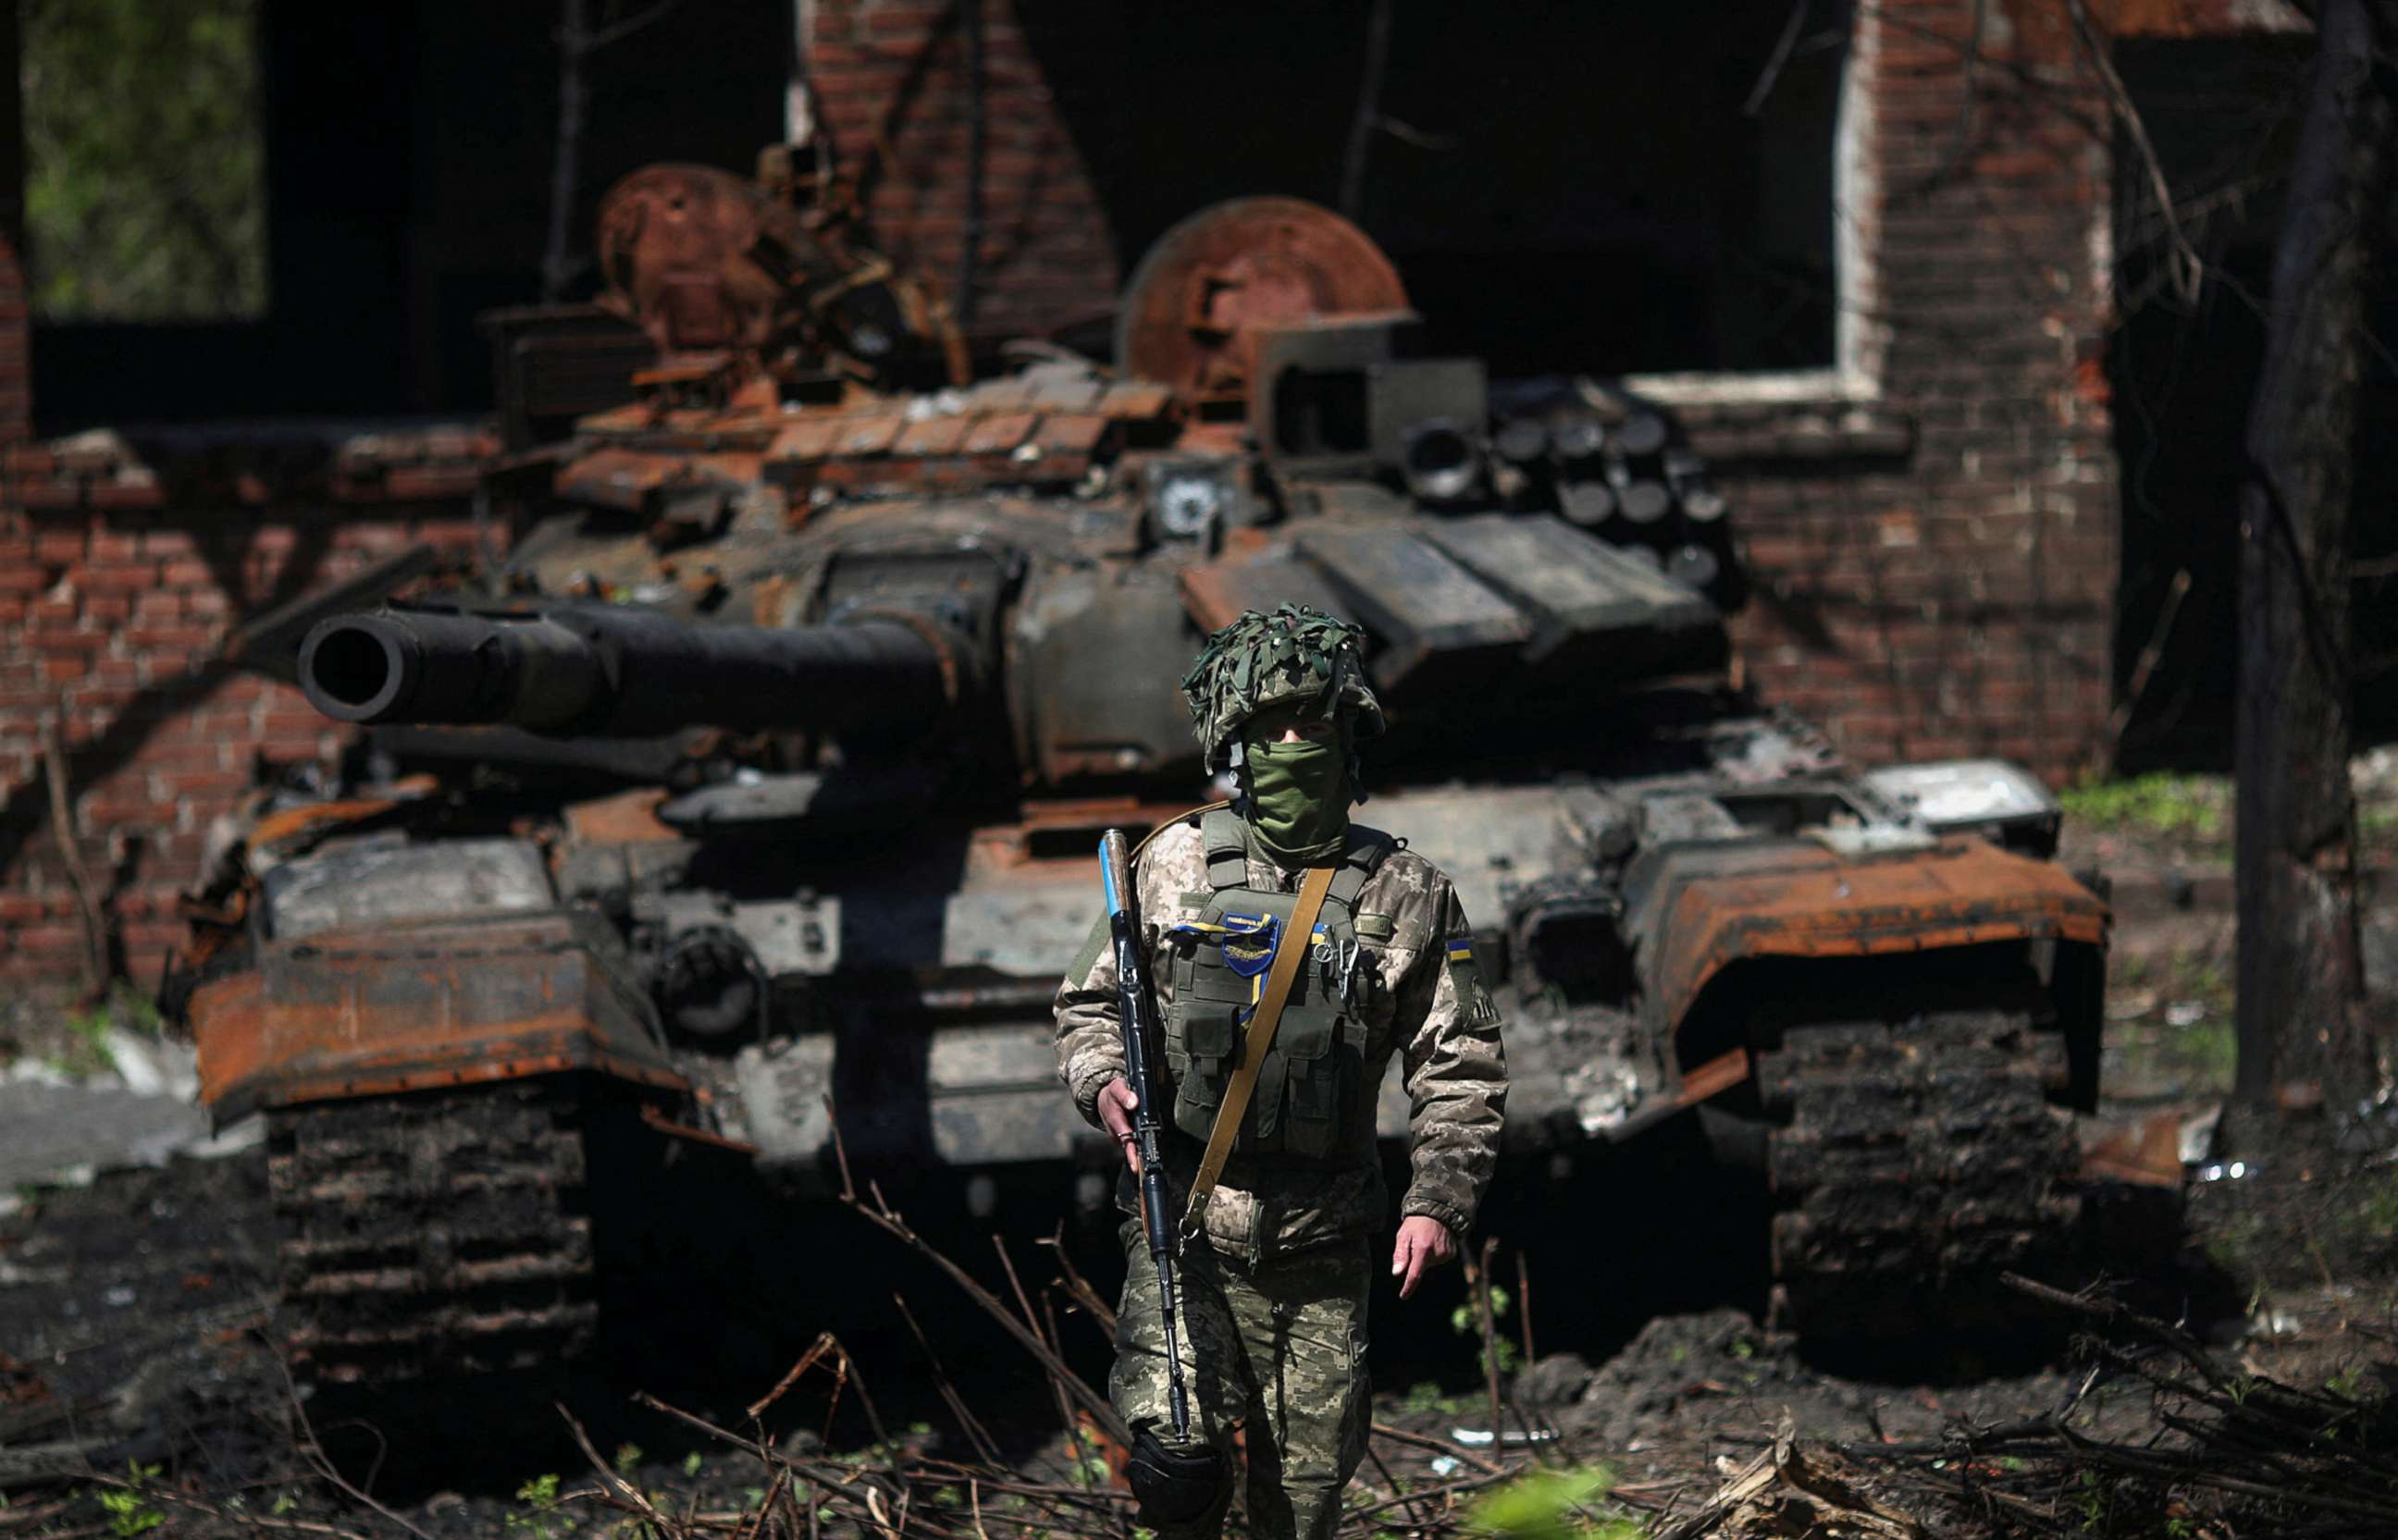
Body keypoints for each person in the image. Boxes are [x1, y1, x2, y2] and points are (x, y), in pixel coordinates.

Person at [1054, 603, 1508, 1540]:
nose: (1294, 746)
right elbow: (1091, 1005)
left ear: (1351, 738)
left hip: (1324, 1244)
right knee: (1178, 1475)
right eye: (1271, 729)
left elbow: (1460, 1062)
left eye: (1315, 726)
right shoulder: (1168, 864)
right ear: (1236, 745)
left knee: (1300, 1510)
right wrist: (1103, 1081)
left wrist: (1438, 1200)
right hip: (1186, 1229)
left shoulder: (1409, 892)